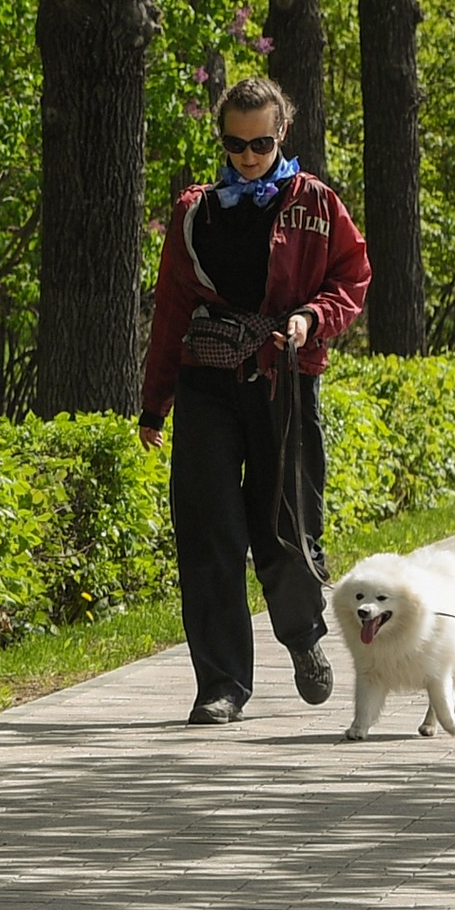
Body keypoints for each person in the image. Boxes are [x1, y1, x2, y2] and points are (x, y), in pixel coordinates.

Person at [144, 76, 371, 724]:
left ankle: (301, 637)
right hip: (206, 385)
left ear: (282, 135)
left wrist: (310, 318)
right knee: (208, 535)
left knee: (284, 531)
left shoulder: (316, 204)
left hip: (283, 383)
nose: (247, 156)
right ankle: (220, 685)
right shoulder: (197, 210)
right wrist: (153, 403)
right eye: (234, 144)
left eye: (260, 143)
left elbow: (351, 276)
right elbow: (170, 311)